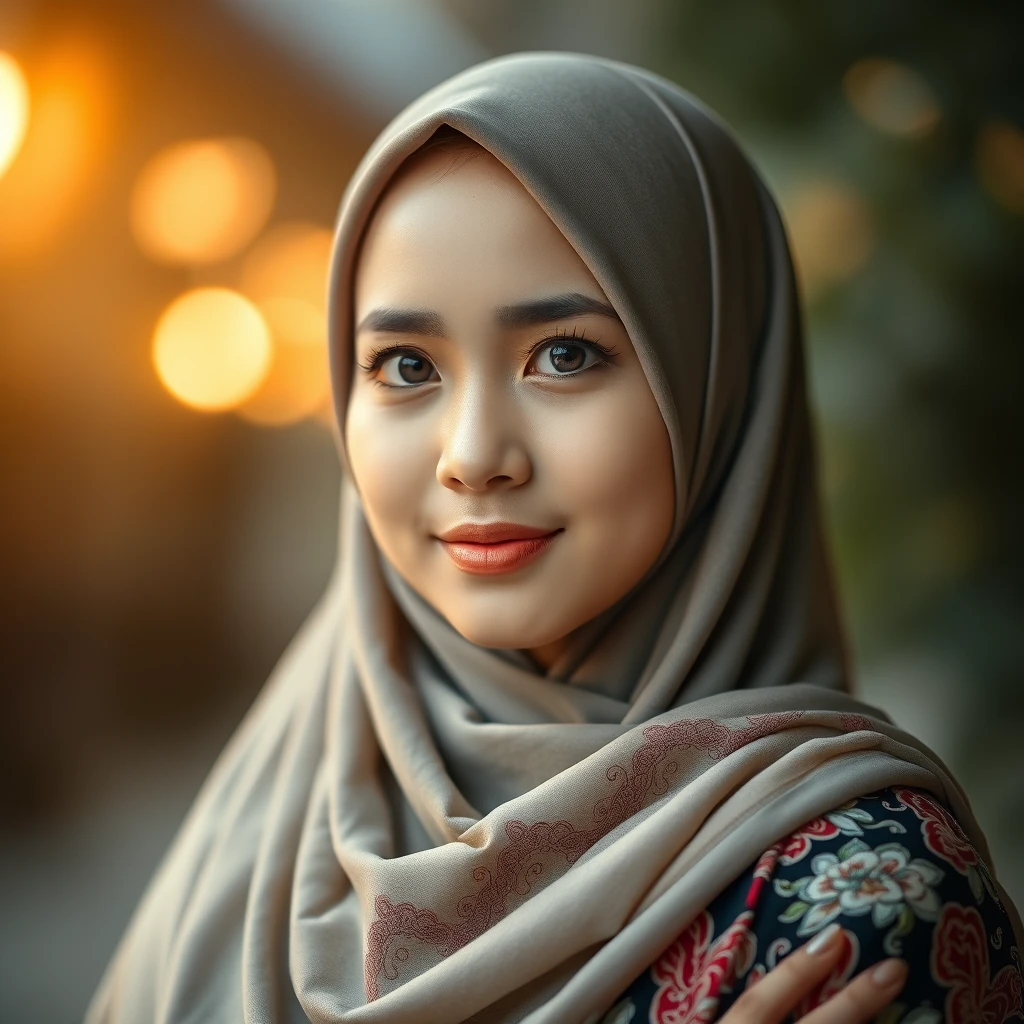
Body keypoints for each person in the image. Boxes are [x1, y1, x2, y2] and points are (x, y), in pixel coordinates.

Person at [86, 53, 1022, 1024]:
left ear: (716, 389)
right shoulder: (283, 809)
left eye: (564, 355)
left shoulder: (859, 906)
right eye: (406, 364)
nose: (473, 454)